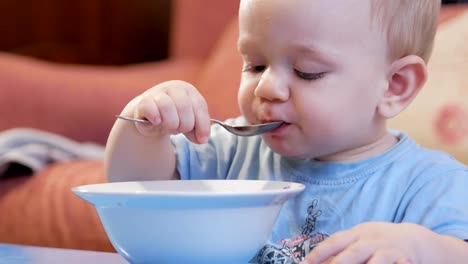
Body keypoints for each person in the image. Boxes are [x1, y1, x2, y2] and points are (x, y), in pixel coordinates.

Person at [105, 0, 468, 263]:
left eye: (307, 71)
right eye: (255, 64)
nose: (267, 87)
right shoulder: (229, 150)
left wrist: (424, 249)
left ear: (394, 86)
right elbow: (132, 190)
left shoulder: (433, 184)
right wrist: (144, 125)